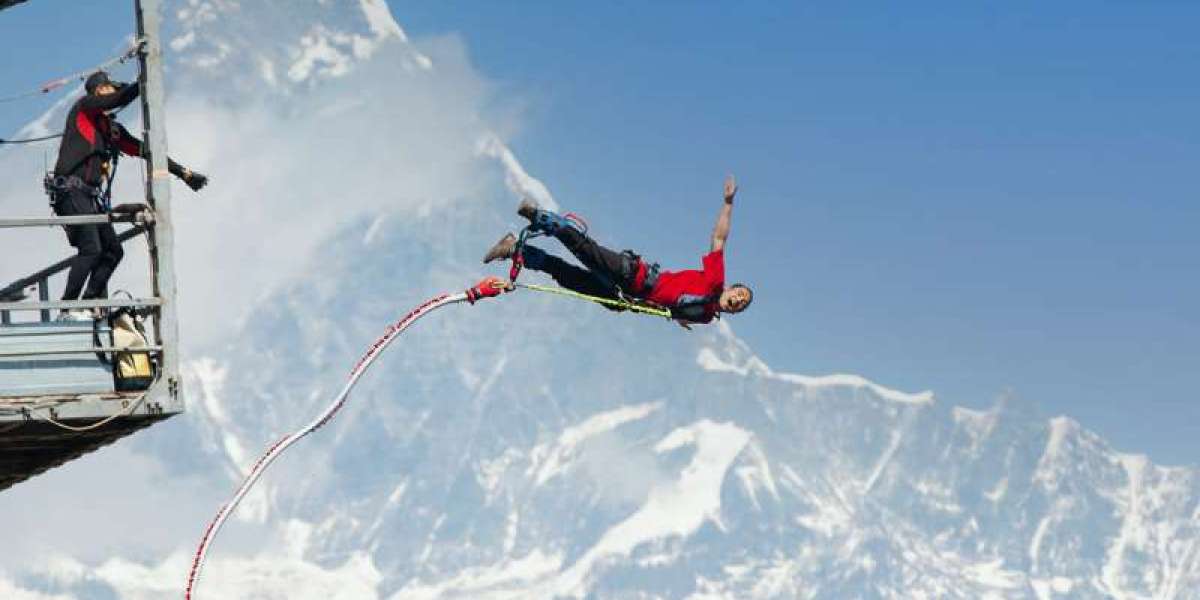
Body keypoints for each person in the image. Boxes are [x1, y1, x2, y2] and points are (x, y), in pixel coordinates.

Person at [483, 175, 752, 326]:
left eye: (741, 303)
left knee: (567, 277)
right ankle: (540, 217)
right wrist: (728, 203)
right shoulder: (714, 281)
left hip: (624, 298)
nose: (739, 299)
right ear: (730, 287)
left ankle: (516, 249)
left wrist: (680, 318)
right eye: (740, 293)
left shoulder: (705, 316)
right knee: (584, 250)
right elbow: (719, 239)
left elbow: (675, 308)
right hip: (634, 276)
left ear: (734, 311)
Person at [50, 71, 208, 320]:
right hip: (70, 189)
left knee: (113, 251)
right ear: (100, 90)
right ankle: (66, 310)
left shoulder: (110, 130)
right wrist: (144, 81)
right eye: (109, 88)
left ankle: (89, 303)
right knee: (91, 249)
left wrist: (182, 173)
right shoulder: (84, 108)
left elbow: (144, 150)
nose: (113, 92)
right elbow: (118, 98)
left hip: (89, 196)